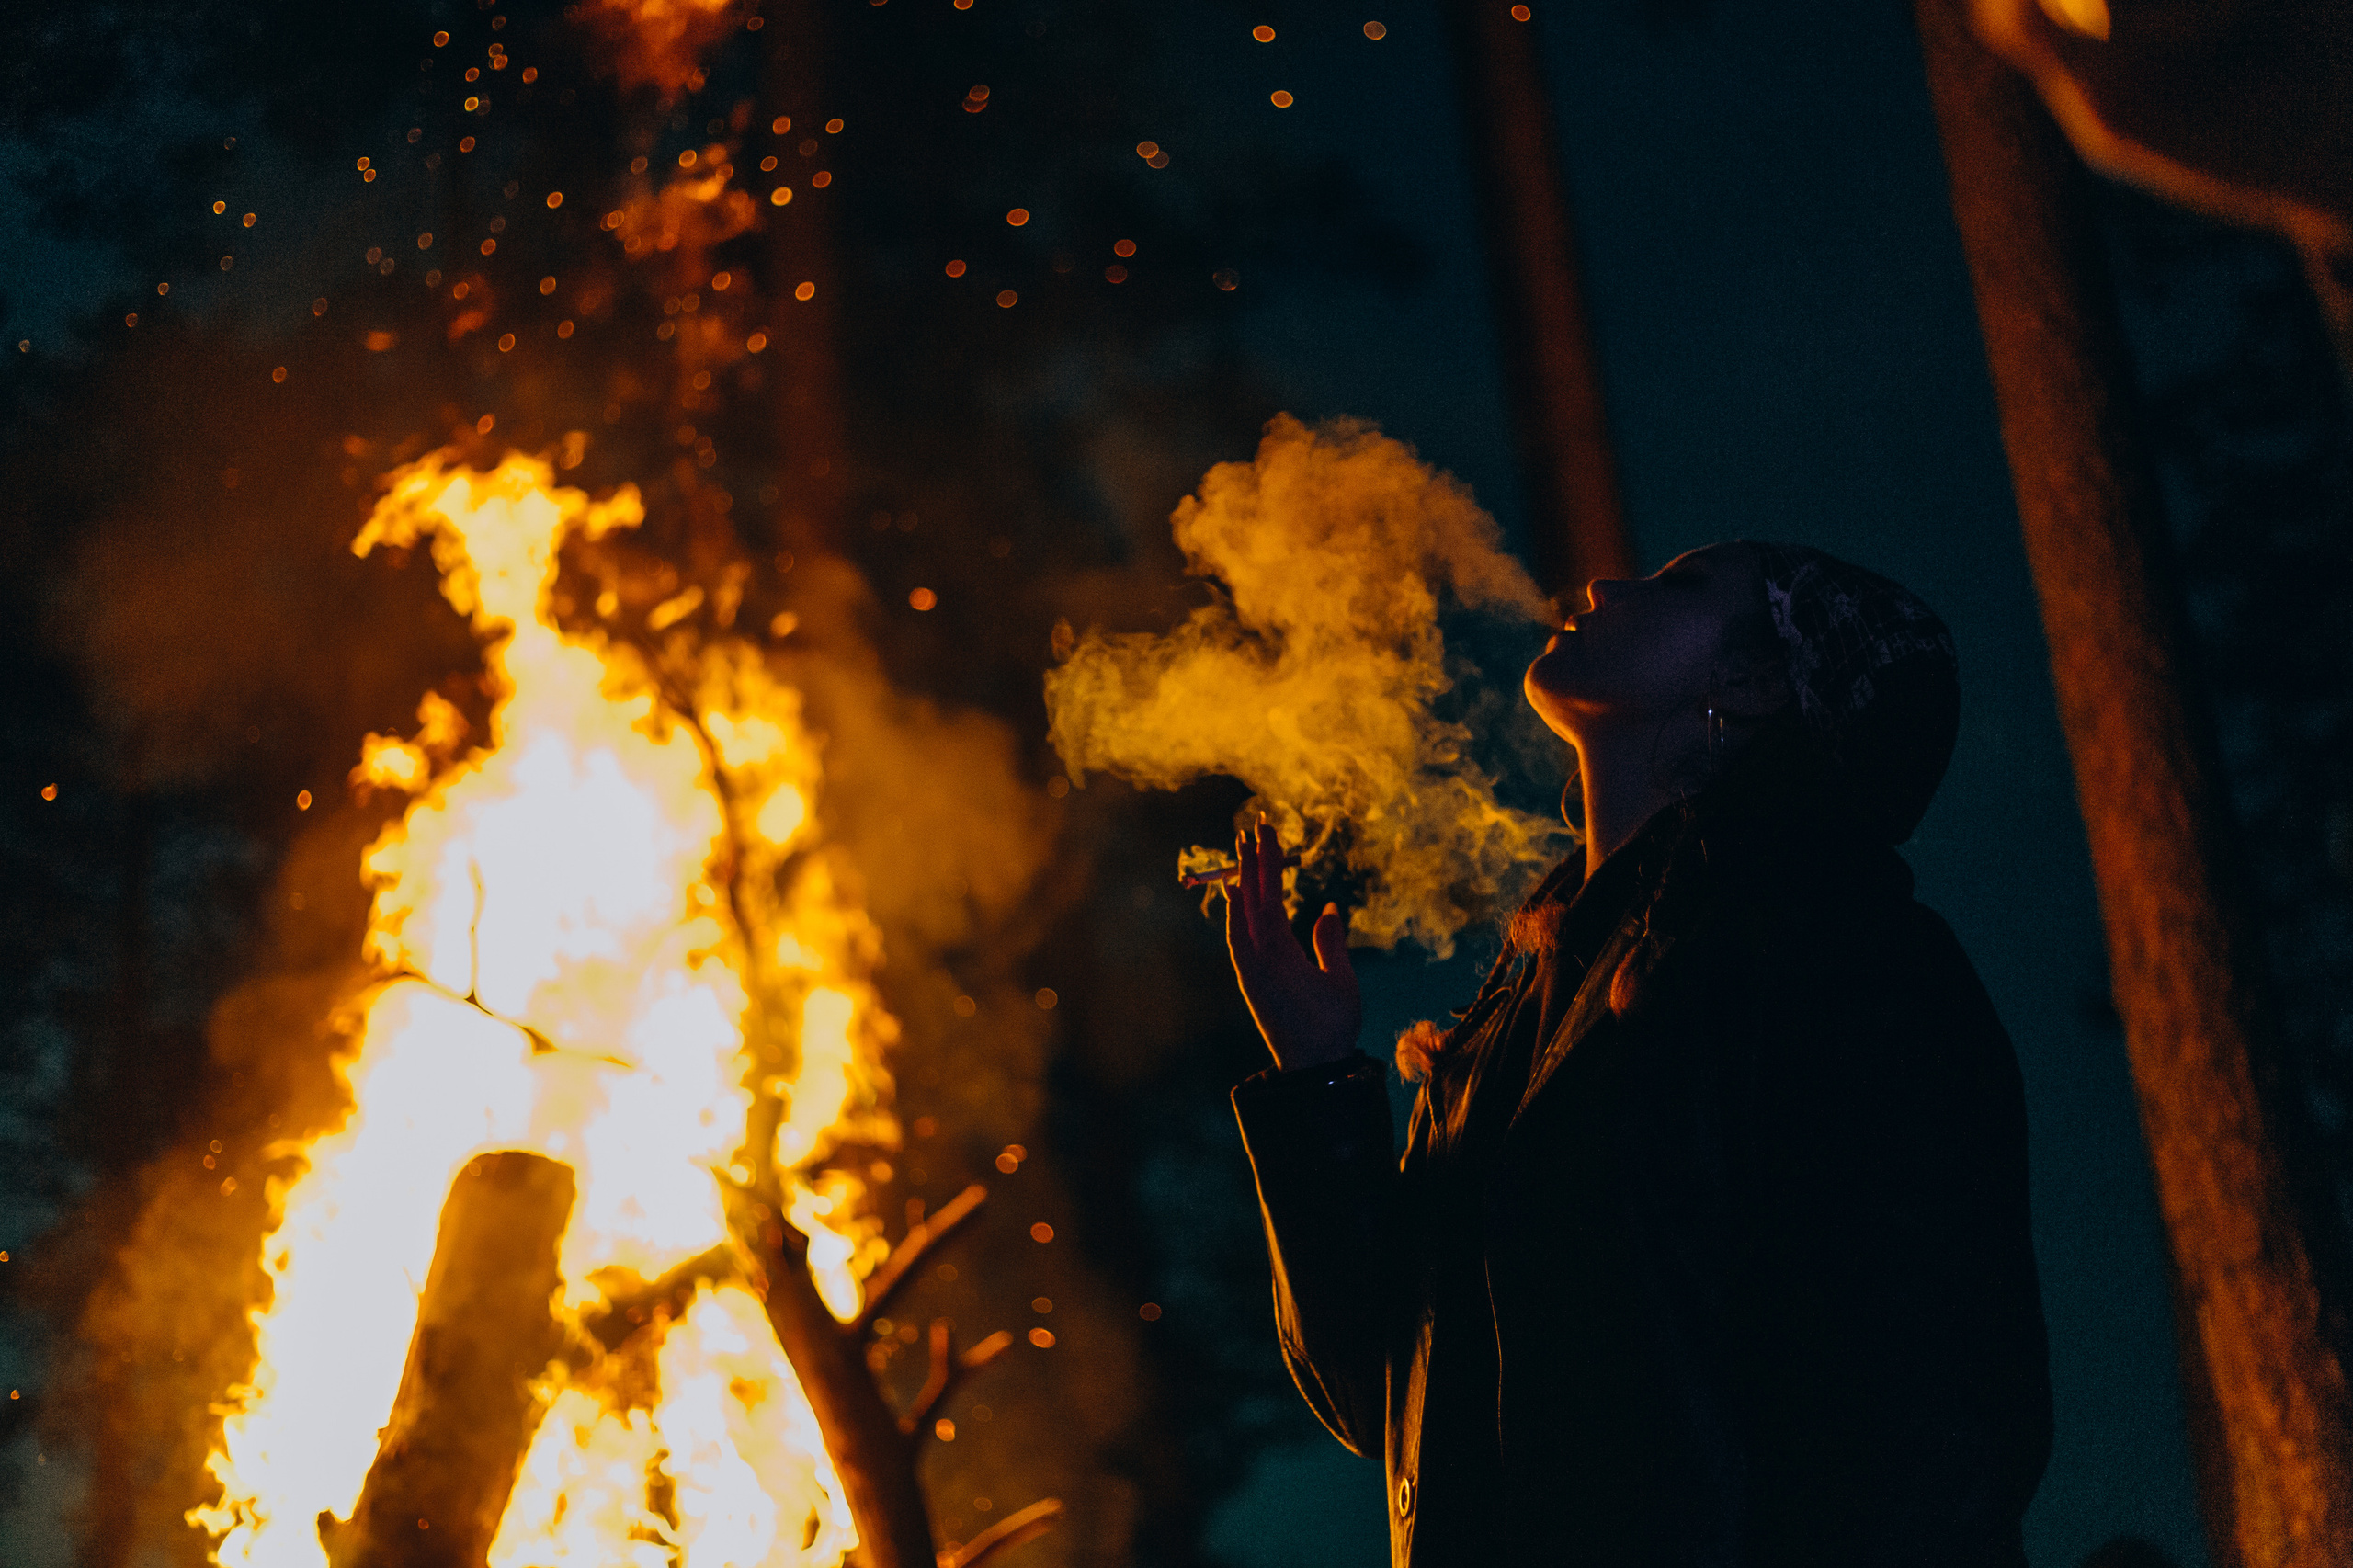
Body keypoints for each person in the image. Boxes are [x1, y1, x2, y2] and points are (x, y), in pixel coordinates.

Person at [1219, 541, 2052, 1567]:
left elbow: (1928, 1410)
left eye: (1679, 585)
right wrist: (1313, 1076)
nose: (1605, 587)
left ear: (1749, 682)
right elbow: (1385, 1397)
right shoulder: (1503, 1025)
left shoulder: (1834, 948)